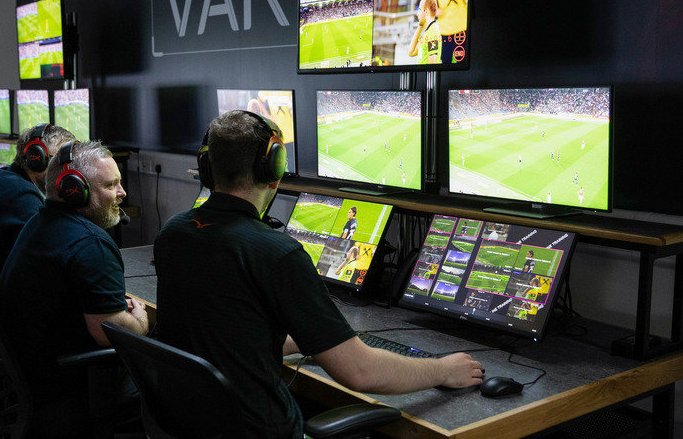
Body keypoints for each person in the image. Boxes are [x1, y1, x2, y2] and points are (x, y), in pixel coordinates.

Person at [153, 111, 482, 438]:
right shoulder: (278, 254)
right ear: (274, 166)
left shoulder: (174, 233)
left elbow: (218, 333)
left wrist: (308, 338)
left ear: (206, 167)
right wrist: (443, 369)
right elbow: (360, 372)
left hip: (189, 424)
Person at [0, 141, 149, 431]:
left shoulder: (38, 222)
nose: (122, 193)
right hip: (69, 387)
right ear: (74, 191)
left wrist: (110, 310)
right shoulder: (89, 243)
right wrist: (139, 319)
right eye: (111, 185)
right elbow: (110, 333)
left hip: (34, 375)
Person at [0, 123, 74, 307]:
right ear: (35, 158)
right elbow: (49, 260)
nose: (66, 170)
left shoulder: (8, 180)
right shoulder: (21, 196)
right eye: (60, 161)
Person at [408, 0, 442, 64]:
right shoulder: (427, 32)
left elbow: (432, 64)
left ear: (426, 11)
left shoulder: (433, 33)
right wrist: (420, 26)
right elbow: (411, 52)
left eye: (420, 9)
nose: (417, 14)